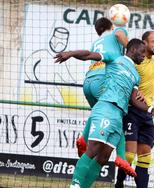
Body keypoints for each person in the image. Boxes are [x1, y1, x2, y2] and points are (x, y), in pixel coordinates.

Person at [69, 39, 154, 188]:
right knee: (94, 148)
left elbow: (134, 99)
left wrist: (150, 109)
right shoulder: (115, 57)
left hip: (119, 116)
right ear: (133, 50)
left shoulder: (136, 75)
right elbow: (89, 55)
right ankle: (75, 185)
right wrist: (70, 54)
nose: (143, 56)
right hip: (106, 107)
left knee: (103, 157)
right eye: (142, 53)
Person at [54, 17, 136, 176]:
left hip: (88, 83)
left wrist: (70, 53)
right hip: (103, 81)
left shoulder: (97, 42)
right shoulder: (116, 33)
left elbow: (89, 55)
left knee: (99, 112)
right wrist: (132, 48)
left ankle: (83, 138)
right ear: (111, 26)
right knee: (117, 112)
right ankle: (121, 156)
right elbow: (120, 35)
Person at [115, 31, 154, 188]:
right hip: (132, 110)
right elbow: (121, 37)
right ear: (144, 43)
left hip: (147, 112)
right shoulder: (136, 60)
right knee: (129, 155)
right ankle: (119, 184)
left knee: (145, 157)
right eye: (153, 41)